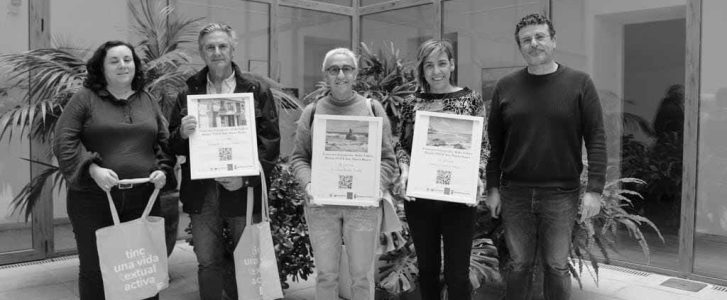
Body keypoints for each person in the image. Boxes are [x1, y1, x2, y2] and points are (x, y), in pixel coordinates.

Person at [485, 13, 607, 300]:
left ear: (553, 41)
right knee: (518, 265)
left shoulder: (580, 83)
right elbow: (495, 144)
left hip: (561, 193)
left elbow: (597, 138)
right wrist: (492, 187)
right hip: (514, 192)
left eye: (540, 36)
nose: (534, 43)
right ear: (520, 47)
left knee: (556, 265)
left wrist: (595, 190)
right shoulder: (505, 86)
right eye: (526, 40)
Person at [167, 23, 280, 300]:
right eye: (210, 47)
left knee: (249, 260)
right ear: (201, 52)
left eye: (222, 46)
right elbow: (171, 144)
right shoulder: (188, 92)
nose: (216, 52)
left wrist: (247, 178)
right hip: (202, 192)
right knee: (207, 262)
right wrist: (181, 133)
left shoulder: (256, 89)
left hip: (243, 191)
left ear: (232, 48)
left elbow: (271, 143)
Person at [53, 40, 172, 300]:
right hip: (94, 200)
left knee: (142, 268)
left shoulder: (147, 99)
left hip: (144, 198)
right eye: (114, 61)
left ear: (135, 65)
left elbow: (163, 141)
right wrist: (92, 169)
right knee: (96, 270)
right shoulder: (85, 98)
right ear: (101, 68)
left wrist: (162, 170)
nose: (122, 65)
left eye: (127, 60)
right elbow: (63, 139)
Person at [290, 47, 397, 300]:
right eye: (333, 69)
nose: (340, 75)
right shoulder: (312, 112)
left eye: (346, 69)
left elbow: (388, 159)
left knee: (361, 277)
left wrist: (376, 184)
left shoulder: (373, 110)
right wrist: (308, 184)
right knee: (326, 276)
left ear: (355, 74)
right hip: (322, 206)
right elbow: (299, 158)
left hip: (362, 207)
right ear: (325, 74)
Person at [393, 39, 486, 300]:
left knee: (458, 274)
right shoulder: (411, 103)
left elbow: (483, 145)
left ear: (452, 64)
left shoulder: (471, 99)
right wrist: (405, 169)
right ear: (422, 69)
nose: (436, 71)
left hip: (458, 199)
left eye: (442, 63)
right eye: (429, 65)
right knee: (427, 270)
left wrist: (477, 173)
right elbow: (401, 145)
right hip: (421, 198)